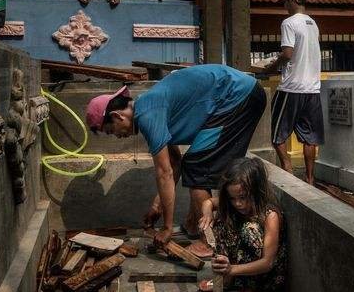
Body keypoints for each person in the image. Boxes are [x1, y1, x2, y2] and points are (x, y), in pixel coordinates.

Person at [85, 64, 266, 253]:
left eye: (110, 130)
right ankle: (193, 225)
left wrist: (167, 228)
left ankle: (209, 241)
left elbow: (165, 173)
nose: (116, 135)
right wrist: (157, 207)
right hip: (240, 94)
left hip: (239, 95)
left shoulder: (147, 114)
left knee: (197, 167)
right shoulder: (148, 107)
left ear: (117, 116)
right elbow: (175, 162)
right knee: (194, 163)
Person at [265, 0, 324, 185]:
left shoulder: (289, 23)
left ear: (292, 0)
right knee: (310, 138)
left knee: (276, 134)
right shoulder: (312, 23)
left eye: (284, 2)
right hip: (312, 89)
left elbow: (288, 53)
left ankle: (288, 171)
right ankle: (309, 178)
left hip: (291, 88)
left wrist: (271, 66)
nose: (284, 6)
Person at [199, 157, 286, 292]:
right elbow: (208, 203)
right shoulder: (233, 204)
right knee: (222, 219)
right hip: (238, 267)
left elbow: (267, 262)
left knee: (249, 230)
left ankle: (251, 288)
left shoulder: (270, 215)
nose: (238, 204)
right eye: (233, 198)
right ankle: (228, 279)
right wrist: (207, 215)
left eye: (243, 197)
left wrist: (231, 269)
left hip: (265, 278)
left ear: (256, 191)